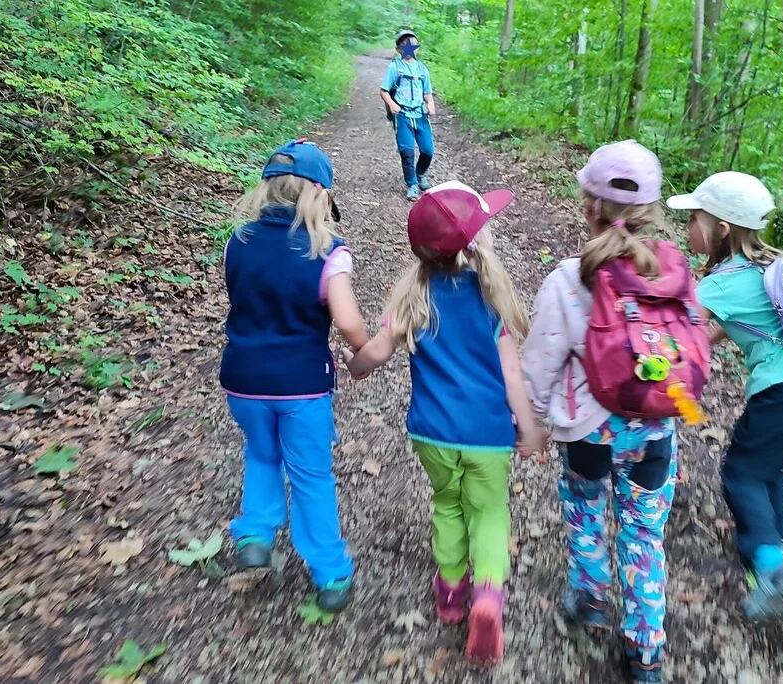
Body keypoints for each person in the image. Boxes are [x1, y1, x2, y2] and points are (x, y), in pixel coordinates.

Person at [344, 181, 541, 666]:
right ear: (477, 241)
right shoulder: (491, 298)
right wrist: (529, 427)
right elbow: (512, 375)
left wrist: (354, 366)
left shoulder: (413, 296)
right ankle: (488, 596)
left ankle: (451, 592)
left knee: (448, 505)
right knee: (488, 512)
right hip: (487, 435)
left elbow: (375, 352)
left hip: (431, 432)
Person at [522, 141, 688, 684]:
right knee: (643, 535)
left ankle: (590, 595)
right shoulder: (672, 273)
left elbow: (542, 362)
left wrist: (533, 421)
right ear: (652, 211)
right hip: (654, 434)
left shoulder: (570, 279)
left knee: (585, 510)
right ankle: (646, 648)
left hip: (588, 433)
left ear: (588, 206)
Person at [666, 171, 783, 621]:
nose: (687, 228)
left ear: (720, 228)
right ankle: (780, 557)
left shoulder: (721, 283)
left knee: (741, 473)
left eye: (693, 219)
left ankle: (772, 564)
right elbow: (729, 327)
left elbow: (675, 332)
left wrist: (661, 367)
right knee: (767, 468)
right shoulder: (767, 265)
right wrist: (701, 348)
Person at [220, 138, 369, 613]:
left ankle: (255, 534)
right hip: (302, 386)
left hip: (243, 379)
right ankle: (329, 571)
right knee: (311, 475)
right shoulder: (328, 250)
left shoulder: (237, 242)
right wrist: (364, 348)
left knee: (262, 453)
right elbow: (347, 321)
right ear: (319, 195)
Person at [380, 29, 436, 201]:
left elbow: (427, 93)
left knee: (428, 150)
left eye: (413, 44)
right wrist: (392, 105)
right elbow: (384, 91)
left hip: (420, 115)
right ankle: (412, 184)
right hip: (402, 115)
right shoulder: (394, 68)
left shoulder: (422, 69)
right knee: (407, 152)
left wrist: (430, 105)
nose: (409, 47)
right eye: (405, 44)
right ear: (398, 49)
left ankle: (420, 173)